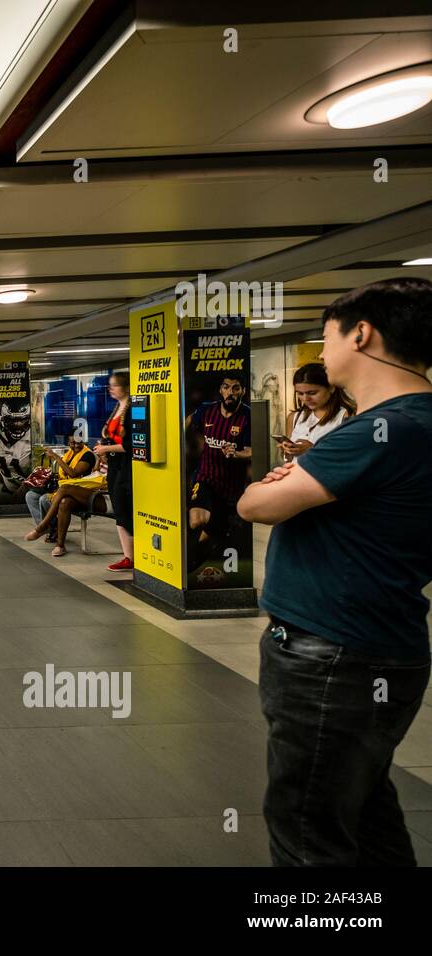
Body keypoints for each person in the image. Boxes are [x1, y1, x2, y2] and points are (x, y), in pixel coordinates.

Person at [238, 276, 432, 867]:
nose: (322, 355)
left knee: (307, 827)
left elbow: (256, 505)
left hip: (332, 654)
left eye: (326, 339)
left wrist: (279, 486)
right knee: (365, 811)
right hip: (381, 643)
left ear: (362, 333)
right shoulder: (414, 422)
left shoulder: (381, 430)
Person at [186, 375, 252, 571]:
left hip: (231, 486)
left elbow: (252, 450)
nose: (230, 393)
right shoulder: (207, 409)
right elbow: (188, 421)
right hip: (205, 477)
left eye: (235, 388)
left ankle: (192, 564)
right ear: (220, 390)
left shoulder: (247, 416)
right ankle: (187, 561)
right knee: (197, 520)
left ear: (243, 391)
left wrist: (238, 453)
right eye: (226, 387)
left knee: (211, 535)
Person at [22, 459, 109, 556]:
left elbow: (74, 473)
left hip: (105, 498)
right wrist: (98, 459)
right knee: (65, 502)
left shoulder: (115, 461)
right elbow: (95, 473)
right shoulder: (101, 461)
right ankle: (60, 545)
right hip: (92, 493)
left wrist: (55, 456)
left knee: (64, 489)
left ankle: (42, 527)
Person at [94, 371, 135, 572]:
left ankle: (134, 555)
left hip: (126, 467)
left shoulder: (133, 409)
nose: (111, 389)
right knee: (119, 510)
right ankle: (128, 555)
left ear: (125, 387)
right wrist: (104, 446)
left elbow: (132, 444)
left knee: (125, 509)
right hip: (114, 466)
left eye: (115, 385)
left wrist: (106, 449)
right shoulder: (117, 408)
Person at [278, 362, 354, 461]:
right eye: (300, 393)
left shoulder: (347, 416)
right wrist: (287, 451)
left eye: (312, 393)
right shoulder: (294, 417)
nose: (305, 398)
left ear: (331, 388)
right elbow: (288, 459)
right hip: (296, 474)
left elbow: (352, 457)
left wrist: (314, 450)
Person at [24, 437, 96, 533]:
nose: (76, 446)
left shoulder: (88, 455)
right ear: (68, 443)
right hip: (60, 486)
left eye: (79, 443)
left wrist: (55, 456)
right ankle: (48, 529)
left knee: (44, 499)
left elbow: (73, 473)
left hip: (76, 491)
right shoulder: (68, 454)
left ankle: (53, 529)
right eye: (72, 443)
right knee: (31, 496)